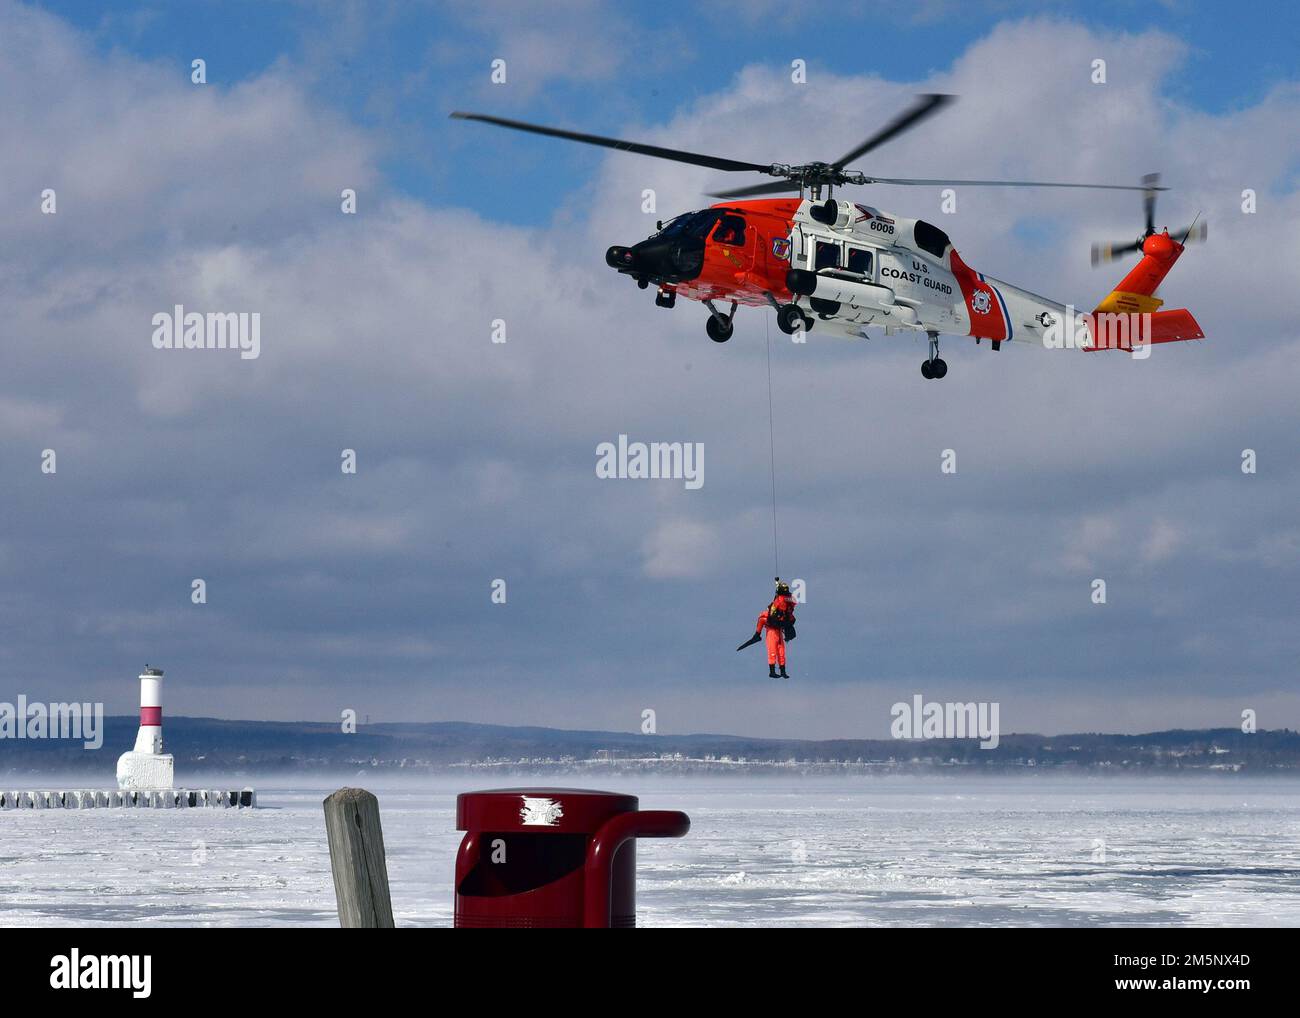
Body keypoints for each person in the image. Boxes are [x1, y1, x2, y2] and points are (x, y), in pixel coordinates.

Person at [756, 579, 796, 679]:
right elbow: (763, 619)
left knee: (781, 651)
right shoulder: (781, 602)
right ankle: (772, 671)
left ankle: (783, 671)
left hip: (778, 629)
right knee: (772, 650)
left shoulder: (786, 601)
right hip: (772, 629)